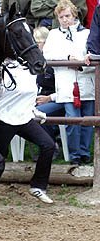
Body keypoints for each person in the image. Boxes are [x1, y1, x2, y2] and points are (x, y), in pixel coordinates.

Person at [0, 59, 55, 204]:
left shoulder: (29, 69)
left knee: (48, 145)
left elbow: (29, 94)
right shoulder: (1, 68)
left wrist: (32, 110)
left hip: (24, 118)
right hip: (4, 118)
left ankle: (38, 186)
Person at [43, 0, 95, 165]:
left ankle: (85, 153)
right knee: (72, 121)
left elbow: (92, 54)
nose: (64, 19)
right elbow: (47, 54)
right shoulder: (53, 35)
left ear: (74, 15)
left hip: (86, 81)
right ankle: (75, 157)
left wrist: (81, 64)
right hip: (66, 85)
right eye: (61, 17)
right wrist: (67, 59)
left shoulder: (87, 33)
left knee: (87, 121)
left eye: (67, 16)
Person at [34, 26, 64, 160]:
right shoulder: (35, 61)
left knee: (37, 112)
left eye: (37, 43)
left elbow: (65, 90)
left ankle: (52, 145)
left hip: (60, 99)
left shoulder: (56, 59)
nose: (34, 46)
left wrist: (48, 98)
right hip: (41, 98)